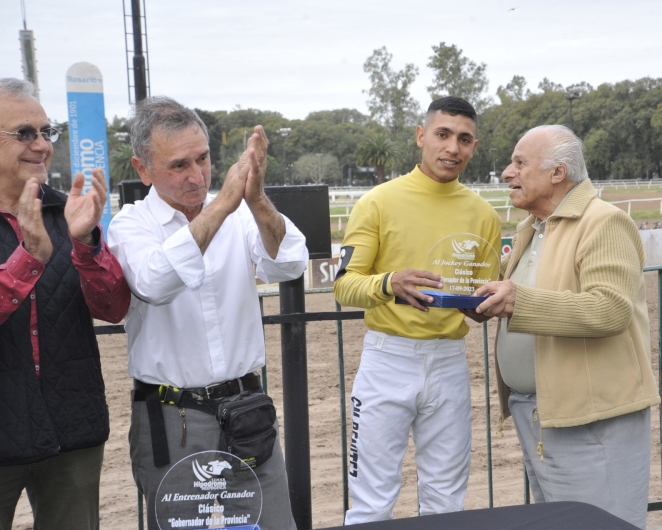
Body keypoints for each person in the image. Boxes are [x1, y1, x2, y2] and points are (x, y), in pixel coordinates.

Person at [107, 97, 308, 530]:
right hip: (173, 419)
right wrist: (224, 205)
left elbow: (290, 262)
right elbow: (155, 282)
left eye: (203, 159)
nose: (197, 177)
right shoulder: (131, 224)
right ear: (142, 169)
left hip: (248, 413)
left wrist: (255, 200)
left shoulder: (241, 212)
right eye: (179, 165)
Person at [468, 124, 659, 529]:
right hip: (539, 414)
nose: (506, 172)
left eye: (520, 162)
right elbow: (521, 300)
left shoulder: (604, 222)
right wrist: (480, 303)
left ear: (558, 173)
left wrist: (519, 301)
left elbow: (610, 309)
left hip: (593, 422)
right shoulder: (531, 228)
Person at [334, 97, 501, 524]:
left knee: (446, 502)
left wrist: (484, 308)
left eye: (464, 139)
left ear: (474, 146)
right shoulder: (377, 202)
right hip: (386, 360)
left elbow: (479, 300)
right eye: (443, 134)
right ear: (421, 136)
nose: (452, 148)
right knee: (372, 504)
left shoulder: (483, 214)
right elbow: (344, 287)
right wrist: (390, 283)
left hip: (449, 364)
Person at [0, 78, 130, 529]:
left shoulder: (67, 212)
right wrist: (27, 260)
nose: (41, 144)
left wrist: (86, 244)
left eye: (46, 131)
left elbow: (113, 307)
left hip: (71, 430)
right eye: (24, 133)